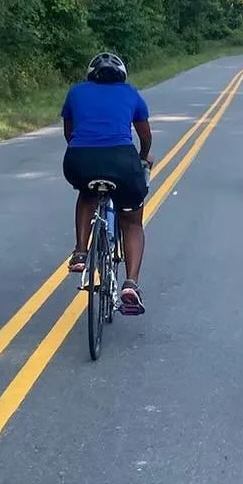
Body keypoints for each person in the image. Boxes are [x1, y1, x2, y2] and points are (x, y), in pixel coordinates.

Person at [60, 52, 155, 315]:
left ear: (91, 74)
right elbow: (145, 136)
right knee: (132, 221)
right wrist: (143, 156)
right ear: (121, 75)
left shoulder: (76, 92)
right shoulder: (131, 93)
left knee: (86, 192)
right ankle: (131, 284)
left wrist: (85, 154)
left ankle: (80, 253)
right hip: (122, 161)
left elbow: (70, 132)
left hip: (79, 160)